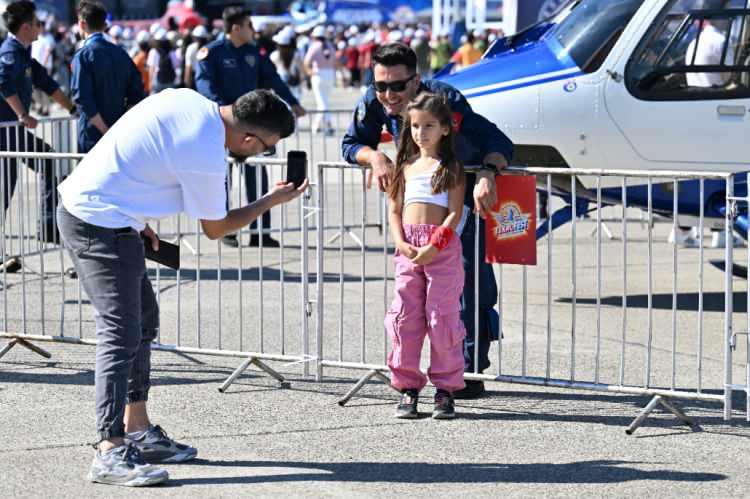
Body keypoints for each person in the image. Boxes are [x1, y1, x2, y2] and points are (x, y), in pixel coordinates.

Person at [56, 88, 307, 487]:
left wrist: (135, 215)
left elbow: (136, 155)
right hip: (96, 221)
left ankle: (137, 428)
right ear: (247, 139)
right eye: (266, 147)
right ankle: (109, 449)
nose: (262, 154)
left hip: (110, 215)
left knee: (144, 321)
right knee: (120, 334)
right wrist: (269, 202)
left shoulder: (189, 99)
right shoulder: (206, 152)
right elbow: (216, 228)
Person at [342, 42, 513, 399]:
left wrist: (488, 172)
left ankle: (469, 370)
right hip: (414, 217)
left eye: (397, 86)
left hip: (461, 204)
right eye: (380, 86)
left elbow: (494, 140)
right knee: (410, 303)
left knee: (469, 289)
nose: (388, 95)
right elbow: (350, 143)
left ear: (416, 81)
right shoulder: (373, 100)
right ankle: (410, 381)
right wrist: (374, 156)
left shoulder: (445, 99)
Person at [195, 6, 305, 248]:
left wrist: (293, 102)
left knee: (258, 178)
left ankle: (261, 232)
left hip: (256, 129)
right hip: (225, 129)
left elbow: (273, 79)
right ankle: (226, 229)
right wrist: (225, 116)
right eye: (249, 25)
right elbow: (205, 86)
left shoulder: (254, 53)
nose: (253, 31)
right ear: (236, 28)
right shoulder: (211, 53)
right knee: (222, 180)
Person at [386, 92, 466, 419]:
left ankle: (445, 389)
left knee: (441, 317)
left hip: (440, 248)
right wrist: (401, 242)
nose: (421, 133)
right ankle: (407, 387)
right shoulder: (404, 168)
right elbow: (393, 209)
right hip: (408, 247)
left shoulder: (451, 168)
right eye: (416, 126)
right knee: (405, 316)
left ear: (445, 128)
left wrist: (435, 244)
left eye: (430, 125)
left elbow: (454, 212)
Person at [0, 0, 76, 263]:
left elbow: (45, 81)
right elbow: (4, 83)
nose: (40, 28)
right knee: (3, 192)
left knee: (50, 163)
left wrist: (72, 108)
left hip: (15, 133)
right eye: (37, 23)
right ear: (25, 27)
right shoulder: (10, 52)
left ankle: (47, 226)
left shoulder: (23, 52)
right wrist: (22, 114)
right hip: (6, 132)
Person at [71, 0, 145, 154]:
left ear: (82, 24)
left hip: (92, 133)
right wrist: (120, 126)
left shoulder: (83, 56)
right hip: (120, 132)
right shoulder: (121, 53)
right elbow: (137, 91)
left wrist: (105, 130)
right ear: (104, 25)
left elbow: (82, 98)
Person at [304, 25, 337, 135]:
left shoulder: (314, 46)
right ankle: (317, 125)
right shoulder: (331, 46)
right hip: (330, 74)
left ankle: (327, 125)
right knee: (324, 102)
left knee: (322, 103)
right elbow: (335, 62)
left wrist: (309, 72)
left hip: (318, 74)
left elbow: (306, 62)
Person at [270, 27, 304, 101]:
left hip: (280, 84)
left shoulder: (274, 55)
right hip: (294, 84)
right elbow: (301, 72)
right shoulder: (296, 54)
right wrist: (301, 85)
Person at [147, 29, 178, 94]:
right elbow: (176, 65)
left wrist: (150, 82)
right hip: (170, 80)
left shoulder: (153, 51)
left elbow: (151, 69)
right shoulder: (172, 51)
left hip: (157, 80)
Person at [183, 25, 209, 90]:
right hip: (207, 78)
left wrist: (187, 86)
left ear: (194, 37)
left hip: (195, 78)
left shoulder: (191, 48)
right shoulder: (210, 48)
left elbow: (188, 69)